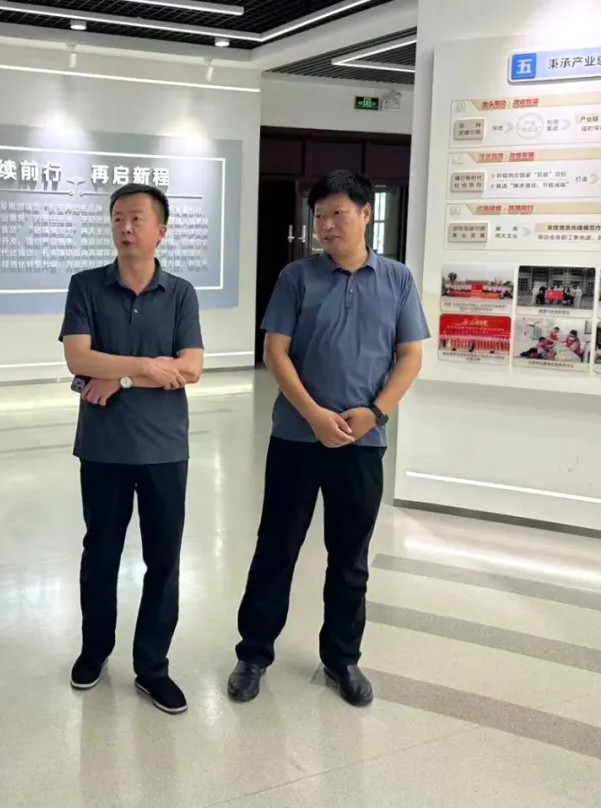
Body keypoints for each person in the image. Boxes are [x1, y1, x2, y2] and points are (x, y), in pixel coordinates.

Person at [226, 170, 429, 708]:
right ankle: (253, 654)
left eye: (338, 213)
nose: (327, 225)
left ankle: (342, 658)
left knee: (350, 557)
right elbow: (275, 352)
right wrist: (314, 414)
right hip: (297, 437)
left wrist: (376, 413)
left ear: (366, 214)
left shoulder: (397, 279)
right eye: (320, 216)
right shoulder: (297, 276)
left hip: (362, 444)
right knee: (276, 548)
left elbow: (410, 356)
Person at [59, 183, 204, 715]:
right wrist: (145, 367)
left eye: (137, 218)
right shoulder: (86, 286)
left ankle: (152, 667)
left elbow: (190, 368)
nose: (126, 227)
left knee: (163, 560)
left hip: (165, 448)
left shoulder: (181, 293)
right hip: (103, 447)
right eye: (118, 217)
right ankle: (94, 650)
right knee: (100, 554)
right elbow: (78, 358)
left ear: (160, 230)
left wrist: (118, 378)